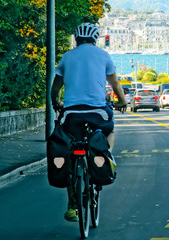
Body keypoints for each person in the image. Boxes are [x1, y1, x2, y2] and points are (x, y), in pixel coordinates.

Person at [51, 23, 127, 222]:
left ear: (76, 39)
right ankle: (105, 155)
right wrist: (123, 101)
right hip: (97, 113)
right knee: (108, 129)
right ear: (95, 39)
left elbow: (56, 86)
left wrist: (55, 103)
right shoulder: (103, 56)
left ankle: (72, 205)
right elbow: (115, 84)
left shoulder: (67, 57)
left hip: (71, 114)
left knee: (69, 149)